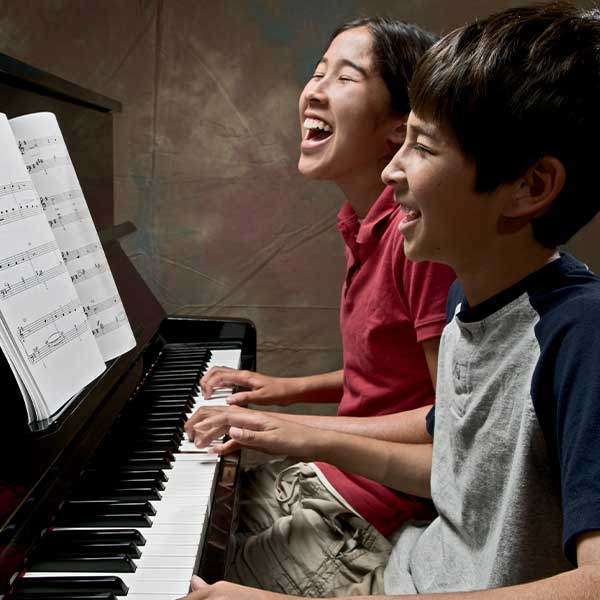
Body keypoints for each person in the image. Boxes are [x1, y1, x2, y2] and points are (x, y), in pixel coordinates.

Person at [180, 2, 600, 599]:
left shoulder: (581, 336)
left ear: (529, 187)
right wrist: (304, 434)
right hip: (409, 563)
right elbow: (456, 468)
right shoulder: (470, 298)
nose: (392, 170)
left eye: (421, 147)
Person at [185, 17, 455, 597]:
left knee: (174, 581)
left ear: (396, 128)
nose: (313, 90)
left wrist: (288, 426)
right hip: (330, 478)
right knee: (190, 515)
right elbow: (388, 370)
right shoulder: (365, 223)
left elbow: (449, 418)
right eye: (316, 72)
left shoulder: (424, 243)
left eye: (346, 77)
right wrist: (285, 389)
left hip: (366, 514)